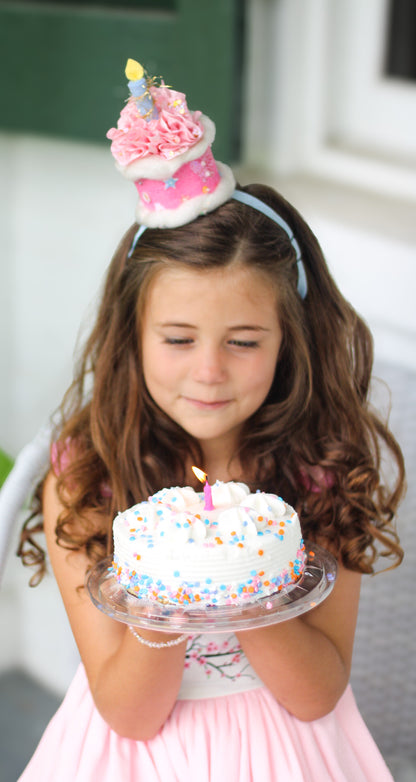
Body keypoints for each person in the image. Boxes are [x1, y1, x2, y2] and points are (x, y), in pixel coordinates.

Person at [16, 62, 404, 781]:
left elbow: (317, 696)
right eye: (178, 338)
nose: (209, 372)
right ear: (131, 335)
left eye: (245, 341)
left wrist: (247, 568)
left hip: (290, 754)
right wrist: (176, 583)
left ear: (291, 340)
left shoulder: (323, 468)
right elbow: (132, 715)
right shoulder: (88, 476)